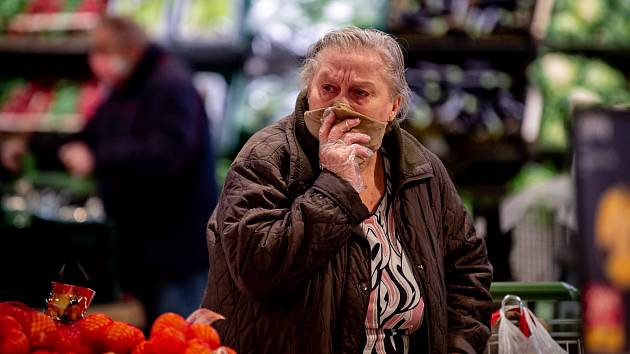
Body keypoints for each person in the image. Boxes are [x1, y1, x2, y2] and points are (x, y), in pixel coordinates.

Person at [201, 27, 492, 354]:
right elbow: (255, 271)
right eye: (328, 88)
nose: (339, 105)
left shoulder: (420, 167)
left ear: (393, 106)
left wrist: (458, 348)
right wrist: (335, 185)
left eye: (359, 93)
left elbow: (468, 271)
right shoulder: (266, 157)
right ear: (309, 90)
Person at [2, 16, 218, 324]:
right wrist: (31, 144)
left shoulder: (171, 85)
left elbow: (167, 153)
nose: (96, 62)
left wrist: (97, 160)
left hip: (175, 249)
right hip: (137, 244)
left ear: (129, 51)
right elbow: (89, 136)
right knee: (135, 329)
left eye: (103, 52)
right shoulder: (124, 89)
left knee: (176, 332)